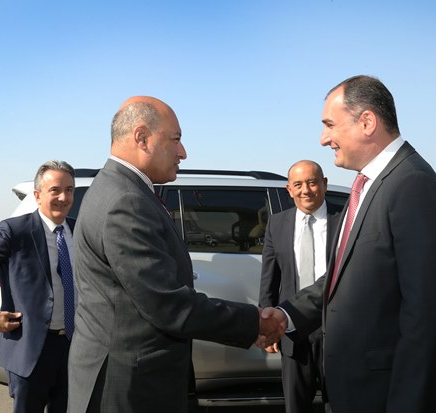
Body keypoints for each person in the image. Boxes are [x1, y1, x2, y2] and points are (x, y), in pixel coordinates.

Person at [265, 75, 436, 412]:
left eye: (329, 125)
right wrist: (286, 315)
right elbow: (341, 281)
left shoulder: (412, 184)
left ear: (366, 122)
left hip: (388, 395)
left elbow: (429, 318)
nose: (323, 139)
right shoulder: (369, 186)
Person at [67, 96, 284, 413]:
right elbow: (167, 304)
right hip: (129, 386)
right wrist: (255, 323)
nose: (183, 152)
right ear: (142, 137)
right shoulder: (126, 200)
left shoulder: (121, 189)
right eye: (176, 139)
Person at [0, 160, 76, 413]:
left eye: (69, 190)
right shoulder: (15, 231)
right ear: (37, 195)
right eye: (55, 190)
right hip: (30, 350)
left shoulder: (80, 229)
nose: (63, 198)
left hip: (73, 347)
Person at [258, 160, 341, 413]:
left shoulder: (345, 219)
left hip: (336, 330)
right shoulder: (277, 223)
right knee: (296, 406)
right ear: (289, 189)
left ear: (324, 184)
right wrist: (266, 328)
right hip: (292, 330)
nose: (305, 190)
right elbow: (269, 279)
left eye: (312, 182)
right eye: (298, 184)